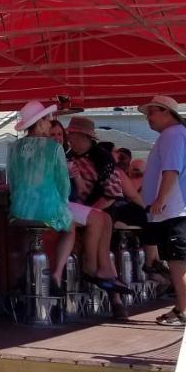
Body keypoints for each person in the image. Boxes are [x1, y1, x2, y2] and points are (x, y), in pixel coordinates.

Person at [138, 95, 186, 325]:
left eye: (152, 113)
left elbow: (171, 170)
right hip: (177, 208)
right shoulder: (178, 135)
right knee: (180, 258)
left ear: (166, 112)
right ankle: (184, 306)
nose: (148, 118)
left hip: (176, 208)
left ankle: (185, 309)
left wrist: (160, 199)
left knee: (178, 258)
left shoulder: (172, 135)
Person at [8, 100, 76, 297]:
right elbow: (63, 184)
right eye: (48, 120)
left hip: (18, 209)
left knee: (26, 232)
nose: (50, 123)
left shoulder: (13, 148)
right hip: (47, 209)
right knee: (71, 228)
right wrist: (64, 205)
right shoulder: (54, 148)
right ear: (39, 123)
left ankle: (23, 274)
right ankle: (56, 273)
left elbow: (12, 181)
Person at [64, 117, 131, 315]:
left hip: (102, 205)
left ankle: (107, 286)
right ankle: (112, 292)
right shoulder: (67, 157)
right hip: (78, 208)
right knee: (102, 225)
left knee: (104, 222)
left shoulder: (103, 158)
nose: (69, 138)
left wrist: (90, 211)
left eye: (72, 134)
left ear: (83, 136)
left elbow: (111, 194)